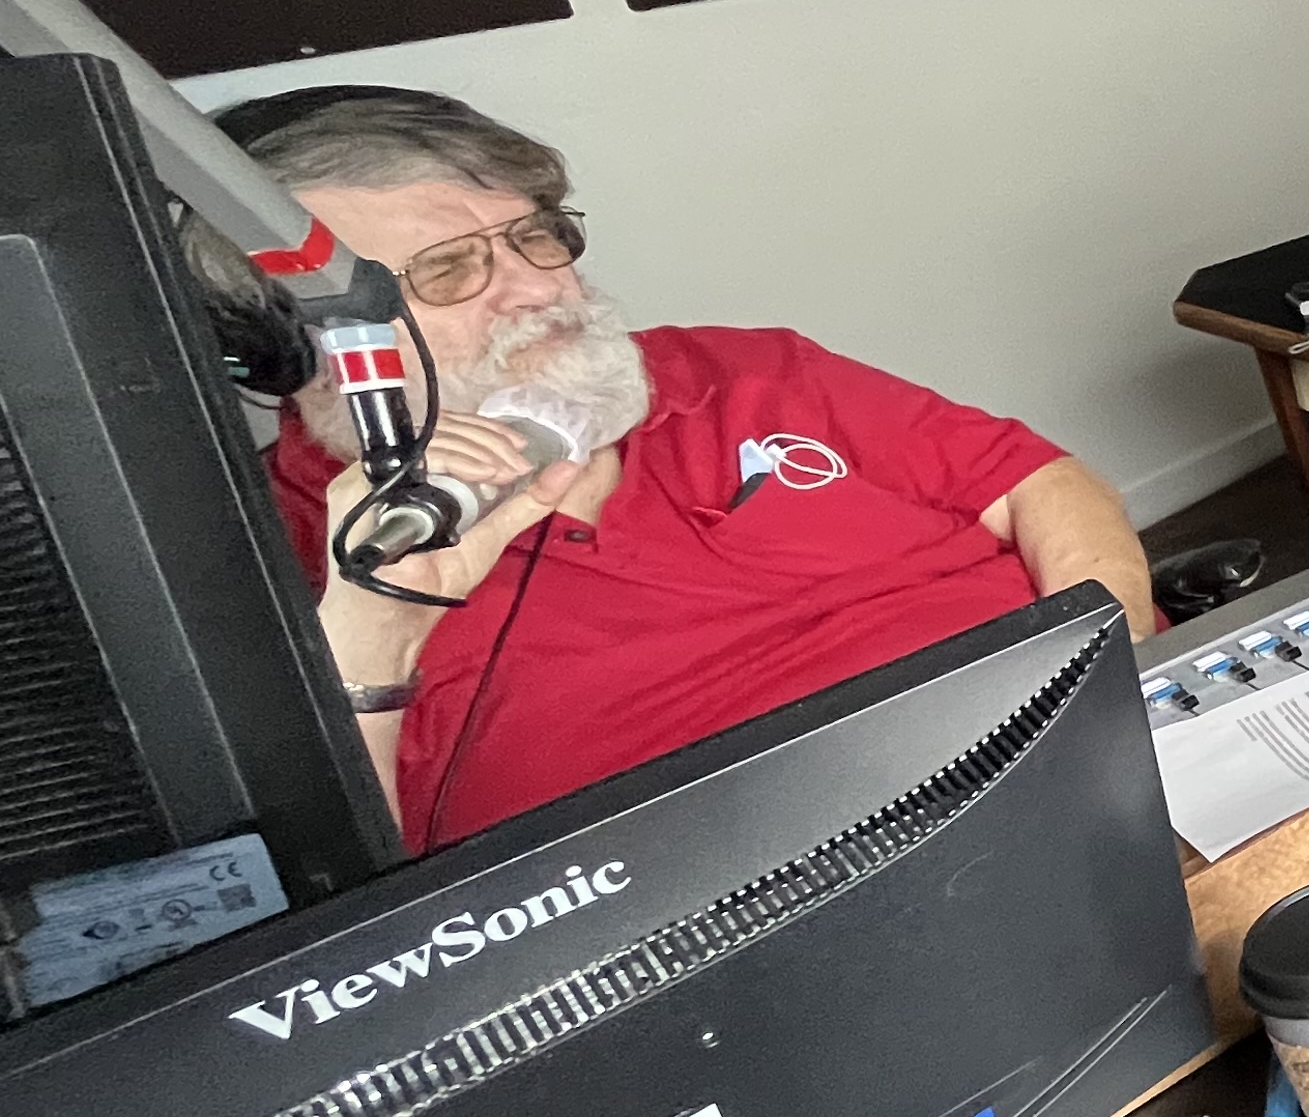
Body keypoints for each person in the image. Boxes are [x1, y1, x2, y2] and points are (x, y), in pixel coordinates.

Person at [193, 86, 1158, 853]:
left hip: (1114, 746)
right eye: (448, 270)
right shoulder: (251, 571)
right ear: (283, 345)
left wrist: (1122, 674)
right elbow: (340, 941)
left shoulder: (735, 369)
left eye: (534, 235)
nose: (540, 287)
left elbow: (1041, 483)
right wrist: (375, 638)